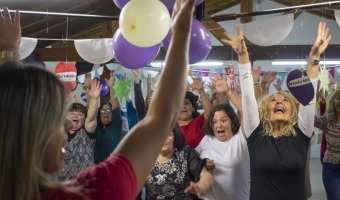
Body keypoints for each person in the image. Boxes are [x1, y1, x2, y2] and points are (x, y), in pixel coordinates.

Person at [0, 0, 195, 199]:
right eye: (56, 115)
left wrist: (8, 57)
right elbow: (160, 120)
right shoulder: (88, 193)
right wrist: (180, 31)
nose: (68, 122)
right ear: (26, 130)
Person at [221, 22, 330, 200]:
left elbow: (308, 97)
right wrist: (243, 55)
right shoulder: (255, 133)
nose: (279, 100)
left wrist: (315, 56)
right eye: (273, 99)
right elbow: (248, 96)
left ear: (293, 111)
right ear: (265, 110)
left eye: (285, 99)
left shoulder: (301, 133)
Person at [196, 73, 250, 200]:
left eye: (223, 120)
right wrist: (202, 164)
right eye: (214, 122)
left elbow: (247, 112)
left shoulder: (240, 140)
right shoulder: (207, 140)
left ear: (232, 121)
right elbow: (192, 161)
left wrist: (227, 91)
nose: (218, 125)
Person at [145, 124, 213, 199]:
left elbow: (206, 175)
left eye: (168, 134)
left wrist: (201, 186)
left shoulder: (186, 152)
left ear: (175, 137)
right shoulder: (144, 157)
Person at [52, 79, 101, 181]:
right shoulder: (57, 134)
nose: (76, 116)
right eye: (72, 113)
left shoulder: (86, 133)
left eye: (79, 114)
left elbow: (91, 118)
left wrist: (94, 99)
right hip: (58, 187)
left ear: (83, 119)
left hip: (83, 188)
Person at [314, 90, 340, 200]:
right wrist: (314, 98)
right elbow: (310, 119)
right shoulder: (327, 120)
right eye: (338, 98)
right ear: (333, 101)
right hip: (331, 169)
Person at [93, 72, 123, 164]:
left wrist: (111, 87)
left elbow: (114, 104)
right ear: (99, 114)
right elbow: (91, 111)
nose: (106, 112)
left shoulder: (115, 126)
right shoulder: (96, 128)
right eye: (103, 110)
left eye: (108, 110)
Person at [178, 77, 213, 148]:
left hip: (198, 158)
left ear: (193, 107)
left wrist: (201, 92)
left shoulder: (199, 122)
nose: (183, 106)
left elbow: (210, 113)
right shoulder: (170, 126)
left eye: (187, 103)